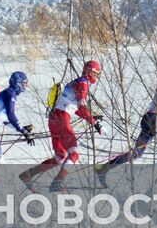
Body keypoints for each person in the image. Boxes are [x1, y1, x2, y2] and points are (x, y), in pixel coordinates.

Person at [21, 60, 102, 192]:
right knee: (74, 154)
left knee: (60, 156)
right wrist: (96, 124)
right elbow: (81, 106)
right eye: (96, 73)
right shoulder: (83, 84)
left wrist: (92, 119)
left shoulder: (75, 82)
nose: (97, 77)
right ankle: (58, 182)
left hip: (53, 119)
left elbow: (76, 109)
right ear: (90, 71)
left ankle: (28, 175)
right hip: (62, 119)